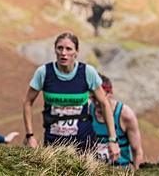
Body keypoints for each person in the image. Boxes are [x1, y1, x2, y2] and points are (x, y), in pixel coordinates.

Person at [22, 32, 121, 162]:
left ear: (76, 52)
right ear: (55, 50)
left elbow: (104, 104)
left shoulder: (87, 72)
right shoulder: (44, 73)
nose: (64, 53)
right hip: (54, 142)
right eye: (60, 48)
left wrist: (113, 140)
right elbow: (28, 102)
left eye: (69, 49)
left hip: (84, 142)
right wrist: (30, 135)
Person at [91, 74, 144, 169]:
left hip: (120, 170)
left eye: (102, 97)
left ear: (111, 93)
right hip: (94, 170)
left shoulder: (125, 115)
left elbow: (137, 151)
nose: (98, 102)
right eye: (94, 98)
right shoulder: (87, 111)